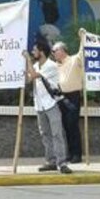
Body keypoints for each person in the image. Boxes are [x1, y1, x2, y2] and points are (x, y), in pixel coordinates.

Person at [24, 42, 72, 175]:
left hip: (51, 104)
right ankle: (50, 161)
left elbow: (34, 76)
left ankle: (62, 163)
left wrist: (27, 60)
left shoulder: (51, 66)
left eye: (35, 50)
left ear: (42, 52)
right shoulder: (35, 66)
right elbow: (29, 80)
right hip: (39, 105)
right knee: (45, 134)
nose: (33, 53)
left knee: (57, 134)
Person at [54, 39, 85, 164]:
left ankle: (77, 154)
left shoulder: (74, 60)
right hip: (61, 97)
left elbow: (82, 52)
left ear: (62, 50)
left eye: (55, 51)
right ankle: (70, 154)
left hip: (73, 96)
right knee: (66, 126)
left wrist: (82, 37)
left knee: (72, 124)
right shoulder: (56, 65)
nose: (53, 53)